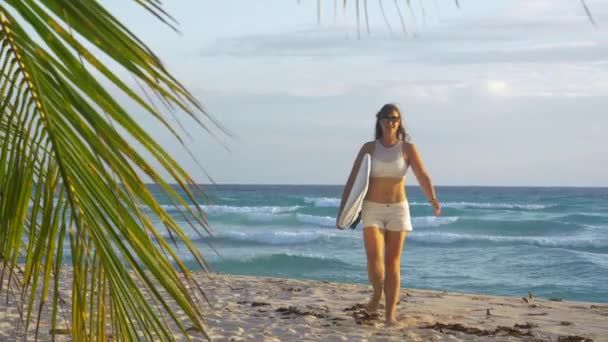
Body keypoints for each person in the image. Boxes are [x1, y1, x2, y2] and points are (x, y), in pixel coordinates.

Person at [337, 103, 441, 326]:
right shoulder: (368, 148)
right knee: (374, 259)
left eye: (394, 118)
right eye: (385, 118)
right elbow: (352, 180)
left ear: (399, 121)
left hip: (398, 209)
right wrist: (342, 211)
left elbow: (423, 176)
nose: (390, 122)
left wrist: (432, 199)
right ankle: (376, 294)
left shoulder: (407, 149)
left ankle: (389, 315)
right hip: (372, 208)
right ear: (379, 121)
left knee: (393, 262)